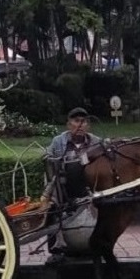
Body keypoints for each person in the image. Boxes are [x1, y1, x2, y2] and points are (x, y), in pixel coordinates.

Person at [42, 107, 100, 264]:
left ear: (88, 125)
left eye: (84, 121)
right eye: (76, 121)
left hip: (89, 186)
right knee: (51, 206)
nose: (80, 125)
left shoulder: (96, 142)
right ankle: (56, 250)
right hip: (63, 187)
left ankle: (99, 246)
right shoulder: (58, 142)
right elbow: (48, 162)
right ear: (69, 124)